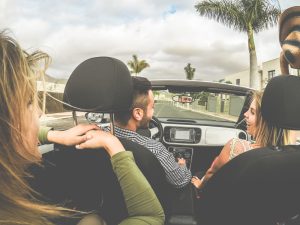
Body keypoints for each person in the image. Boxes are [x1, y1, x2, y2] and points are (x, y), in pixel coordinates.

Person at [0, 31, 164, 225]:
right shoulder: (152, 150)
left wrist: (55, 136)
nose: (39, 113)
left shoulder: (19, 189)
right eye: (29, 102)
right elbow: (152, 216)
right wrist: (114, 145)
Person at [191, 90, 293, 190]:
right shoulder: (291, 159)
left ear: (265, 122)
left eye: (252, 112)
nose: (245, 114)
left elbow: (211, 174)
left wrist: (200, 185)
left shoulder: (235, 146)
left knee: (199, 174)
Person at [112, 76, 192, 188]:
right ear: (138, 113)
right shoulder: (154, 148)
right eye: (152, 107)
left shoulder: (92, 136)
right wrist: (182, 165)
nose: (153, 112)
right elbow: (180, 181)